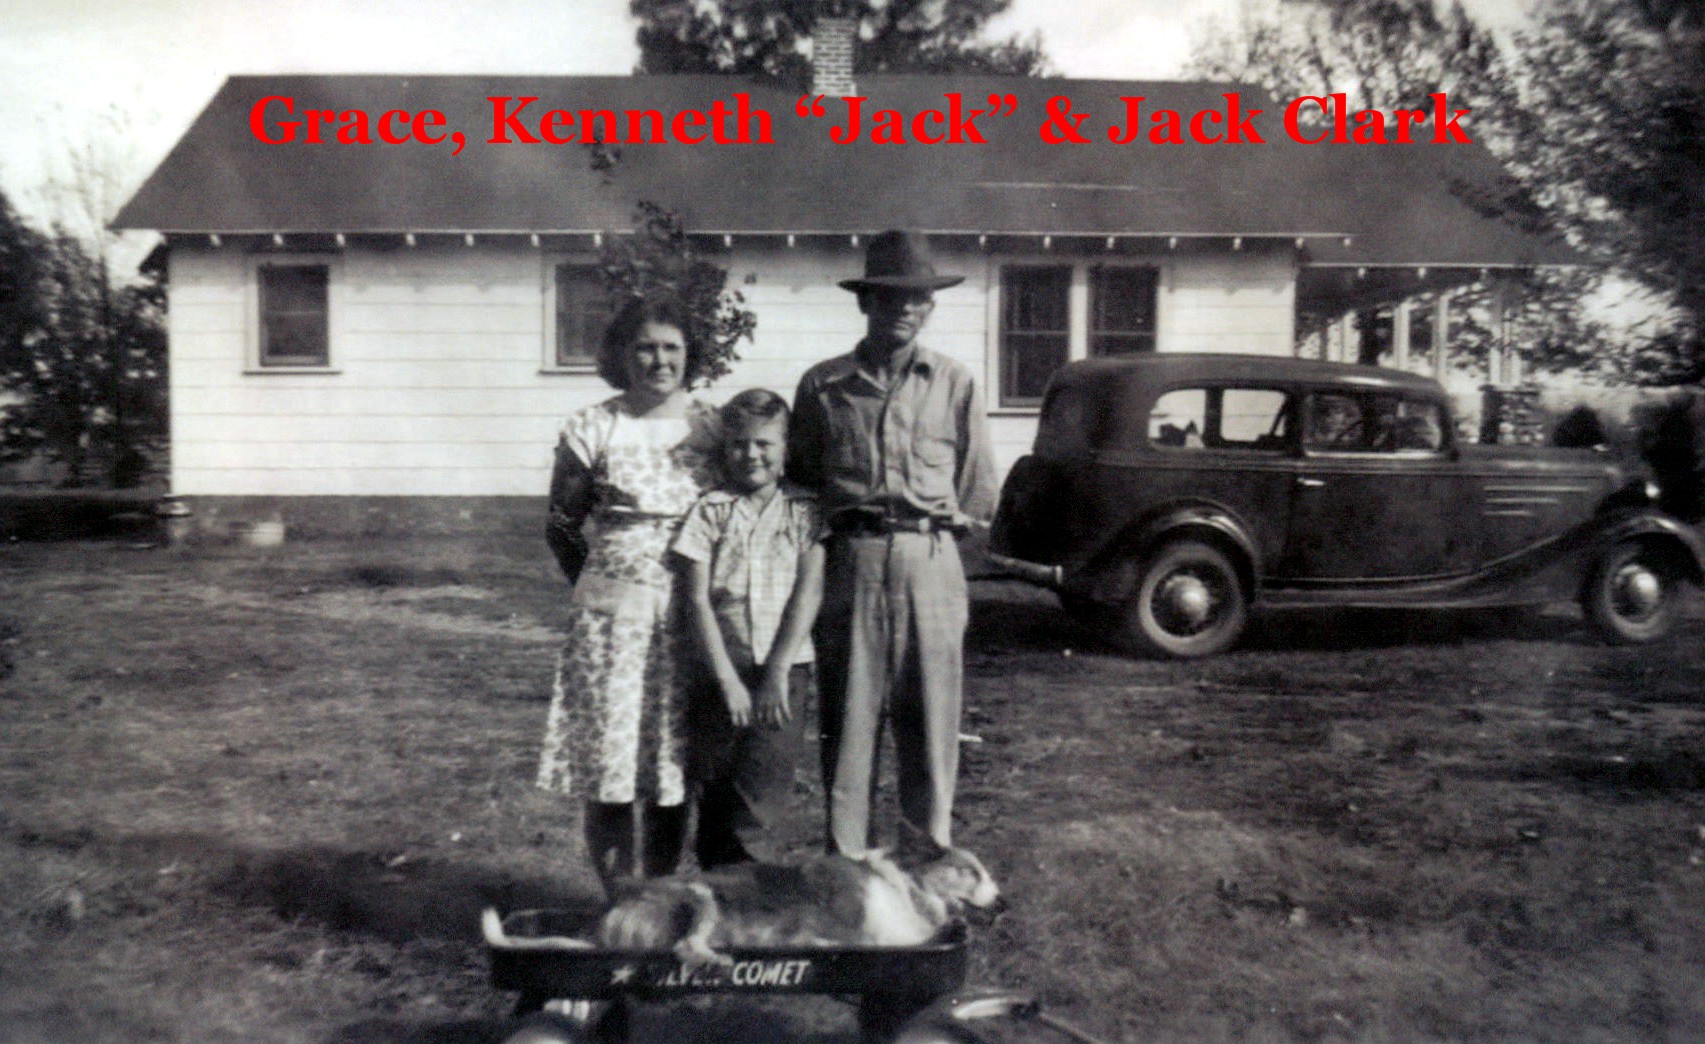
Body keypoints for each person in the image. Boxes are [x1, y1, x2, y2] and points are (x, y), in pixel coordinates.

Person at [787, 230, 998, 857]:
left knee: (931, 727)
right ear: (865, 302)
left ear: (929, 306)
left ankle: (926, 873)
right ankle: (848, 876)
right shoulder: (823, 386)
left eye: (917, 298)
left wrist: (938, 539)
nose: (904, 308)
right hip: (850, 560)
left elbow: (978, 490)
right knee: (849, 726)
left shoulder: (955, 382)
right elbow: (803, 485)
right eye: (889, 296)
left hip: (930, 561)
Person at [536, 295, 721, 897]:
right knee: (610, 770)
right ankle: (619, 899)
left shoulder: (713, 427)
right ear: (622, 354)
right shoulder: (595, 426)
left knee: (670, 771)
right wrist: (601, 587)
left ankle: (658, 899)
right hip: (611, 623)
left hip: (690, 617)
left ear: (690, 354)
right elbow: (561, 526)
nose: (659, 361)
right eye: (645, 348)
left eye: (671, 347)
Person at [671, 389, 826, 868]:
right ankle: (715, 888)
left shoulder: (805, 510)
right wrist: (726, 680)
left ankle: (749, 888)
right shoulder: (710, 510)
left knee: (763, 783)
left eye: (764, 443)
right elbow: (696, 598)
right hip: (723, 668)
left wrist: (777, 670)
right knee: (714, 782)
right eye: (739, 444)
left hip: (785, 669)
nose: (751, 454)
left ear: (786, 449)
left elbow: (808, 593)